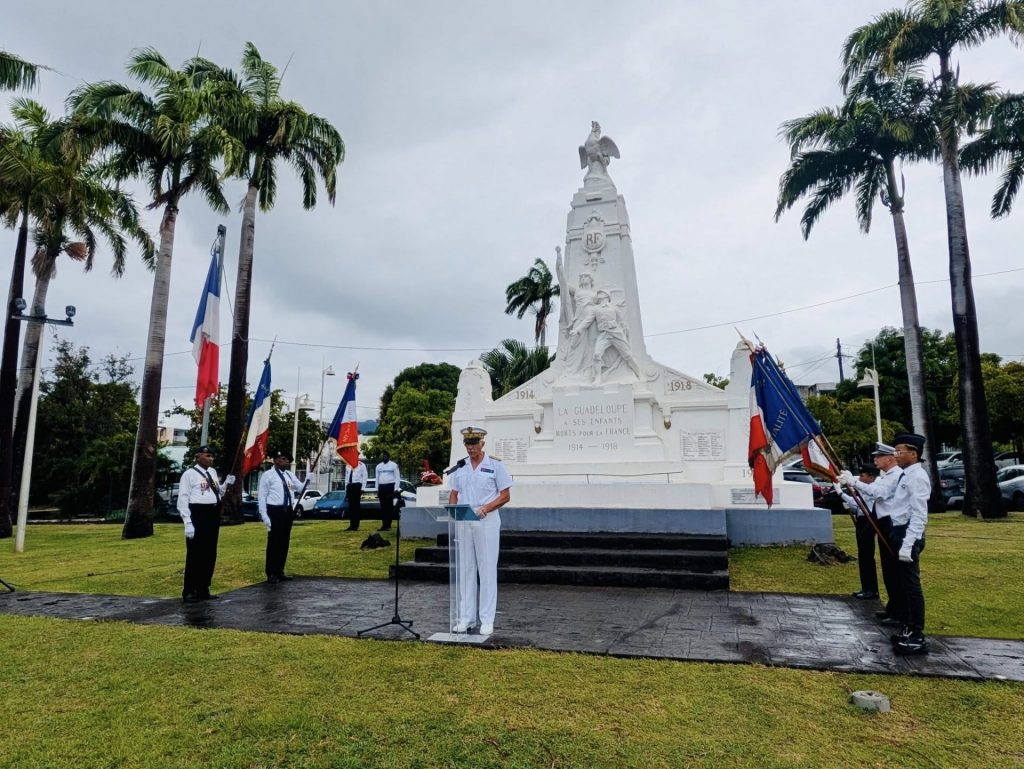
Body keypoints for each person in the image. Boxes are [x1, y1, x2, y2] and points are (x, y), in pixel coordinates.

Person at [448, 426, 513, 636]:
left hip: (486, 520)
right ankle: (466, 617)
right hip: (465, 521)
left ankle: (487, 618)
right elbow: (454, 493)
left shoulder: (494, 465)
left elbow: (505, 495)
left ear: (482, 443)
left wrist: (486, 508)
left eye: (474, 444)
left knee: (486, 570)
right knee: (465, 569)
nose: (471, 448)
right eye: (467, 444)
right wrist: (453, 511)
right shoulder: (460, 467)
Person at [840, 444, 902, 621]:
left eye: (879, 456)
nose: (875, 459)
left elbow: (878, 493)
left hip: (891, 523)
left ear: (890, 458)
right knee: (888, 570)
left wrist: (853, 482)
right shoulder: (886, 476)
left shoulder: (895, 475)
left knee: (894, 569)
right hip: (882, 522)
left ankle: (899, 611)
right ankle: (893, 607)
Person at [887, 432, 932, 655]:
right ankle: (907, 627)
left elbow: (919, 513)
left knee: (912, 585)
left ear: (913, 454)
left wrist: (909, 542)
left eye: (899, 451)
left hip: (908, 533)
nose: (895, 455)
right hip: (899, 530)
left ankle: (917, 633)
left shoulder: (917, 477)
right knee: (903, 583)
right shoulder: (906, 474)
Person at [176, 445, 231, 602]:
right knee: (195, 554)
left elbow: (217, 492)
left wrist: (226, 484)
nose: (210, 459)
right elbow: (183, 499)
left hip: (212, 513)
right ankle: (189, 591)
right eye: (207, 456)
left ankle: (203, 588)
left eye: (212, 456)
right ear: (198, 457)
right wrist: (187, 522)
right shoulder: (189, 474)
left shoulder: (212, 472)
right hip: (197, 514)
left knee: (209, 553)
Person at [257, 449, 304, 583]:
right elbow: (262, 496)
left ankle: (279, 571)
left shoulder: (289, 475)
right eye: (283, 459)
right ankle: (271, 572)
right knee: (274, 543)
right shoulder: (268, 475)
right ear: (276, 461)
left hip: (288, 510)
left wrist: (308, 478)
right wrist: (264, 515)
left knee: (284, 541)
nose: (286, 461)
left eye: (287, 460)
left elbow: (300, 488)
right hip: (274, 510)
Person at [837, 464, 880, 599]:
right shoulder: (865, 488)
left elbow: (857, 503)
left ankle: (871, 589)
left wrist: (841, 493)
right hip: (861, 520)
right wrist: (841, 494)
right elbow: (856, 504)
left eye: (862, 475)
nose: (860, 478)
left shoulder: (873, 488)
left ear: (871, 477)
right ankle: (866, 587)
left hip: (869, 520)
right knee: (862, 555)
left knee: (867, 555)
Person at [374, 451, 401, 531]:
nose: (384, 457)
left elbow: (397, 477)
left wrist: (396, 488)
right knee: (383, 507)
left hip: (390, 486)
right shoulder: (379, 466)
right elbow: (377, 478)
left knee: (389, 507)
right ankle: (384, 525)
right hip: (381, 487)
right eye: (383, 456)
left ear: (388, 457)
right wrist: (377, 489)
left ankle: (388, 525)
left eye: (385, 456)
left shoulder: (394, 465)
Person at [343, 459, 368, 532]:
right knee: (351, 506)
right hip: (350, 486)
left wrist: (363, 488)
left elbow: (365, 477)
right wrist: (346, 488)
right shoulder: (348, 465)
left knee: (356, 506)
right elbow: (346, 477)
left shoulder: (361, 465)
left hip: (357, 485)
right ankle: (351, 525)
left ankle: (356, 525)